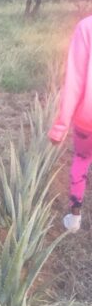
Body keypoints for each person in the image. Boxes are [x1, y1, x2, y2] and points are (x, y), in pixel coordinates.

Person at [49, 16, 92, 232]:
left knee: (82, 160)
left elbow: (74, 81)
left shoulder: (87, 27)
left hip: (88, 118)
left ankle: (74, 220)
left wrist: (60, 127)